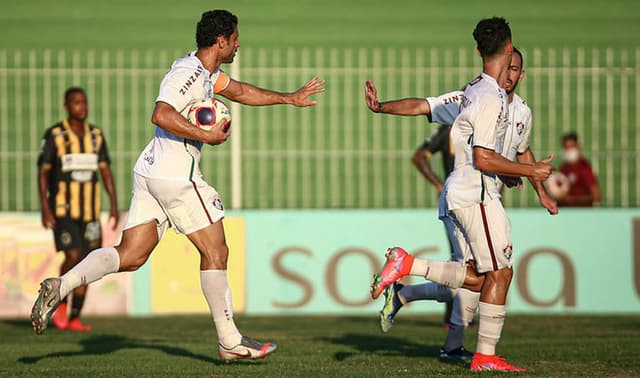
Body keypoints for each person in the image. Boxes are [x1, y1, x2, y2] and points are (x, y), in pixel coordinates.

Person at [31, 9, 324, 361]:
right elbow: (161, 113)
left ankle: (61, 285)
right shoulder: (187, 73)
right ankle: (230, 340)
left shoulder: (207, 74)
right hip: (175, 176)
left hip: (151, 172)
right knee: (216, 251)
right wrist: (206, 135)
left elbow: (242, 91)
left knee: (131, 255)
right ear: (221, 41)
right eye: (234, 38)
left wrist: (288, 97)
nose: (237, 44)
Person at [370, 17, 555, 372]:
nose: (513, 73)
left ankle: (409, 278)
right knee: (500, 273)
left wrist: (381, 107)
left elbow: (424, 105)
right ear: (508, 47)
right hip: (477, 191)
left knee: (477, 277)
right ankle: (482, 355)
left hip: (471, 189)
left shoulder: (477, 93)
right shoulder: (489, 98)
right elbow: (485, 156)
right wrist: (530, 171)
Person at [364, 83, 460, 328]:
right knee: (473, 273)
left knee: (475, 275)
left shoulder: (498, 118)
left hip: (480, 200)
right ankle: (407, 271)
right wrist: (439, 184)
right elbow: (419, 154)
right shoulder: (453, 126)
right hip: (461, 201)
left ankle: (404, 295)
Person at [37, 87, 119, 332]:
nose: (82, 106)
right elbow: (43, 172)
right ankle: (58, 298)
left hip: (91, 213)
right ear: (66, 106)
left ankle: (73, 317)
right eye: (76, 102)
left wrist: (114, 204)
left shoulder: (96, 135)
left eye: (84, 102)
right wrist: (45, 207)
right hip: (63, 210)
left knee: (89, 262)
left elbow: (105, 171)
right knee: (73, 256)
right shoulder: (55, 135)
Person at [558, 132, 600, 207]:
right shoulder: (564, 168)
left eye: (571, 147)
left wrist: (573, 200)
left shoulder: (584, 167)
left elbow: (596, 196)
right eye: (566, 148)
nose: (569, 150)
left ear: (578, 146)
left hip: (582, 212)